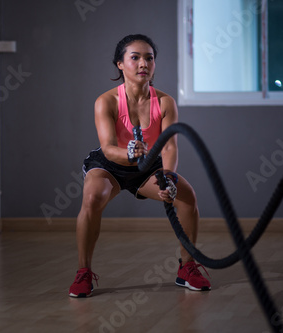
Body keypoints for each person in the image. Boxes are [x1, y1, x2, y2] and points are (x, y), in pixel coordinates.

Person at [69, 34, 210, 298]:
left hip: (148, 166)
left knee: (187, 197)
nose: (143, 63)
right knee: (92, 197)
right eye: (135, 57)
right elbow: (109, 147)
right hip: (110, 164)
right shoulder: (106, 101)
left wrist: (167, 178)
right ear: (120, 64)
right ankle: (83, 273)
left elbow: (169, 147)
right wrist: (128, 153)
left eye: (149, 57)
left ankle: (187, 268)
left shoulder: (165, 102)